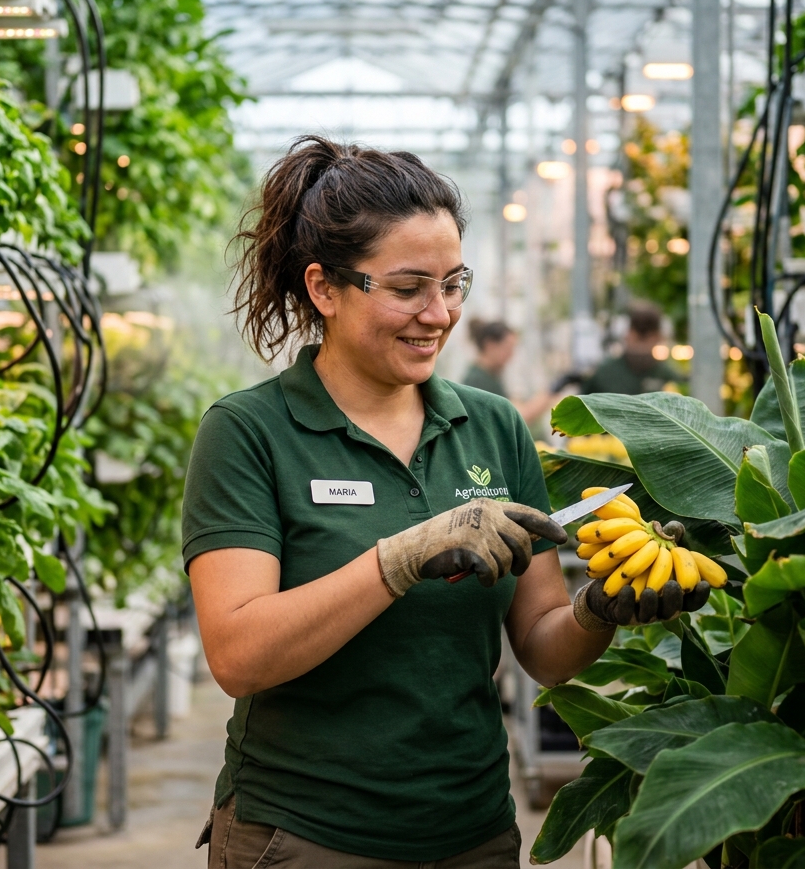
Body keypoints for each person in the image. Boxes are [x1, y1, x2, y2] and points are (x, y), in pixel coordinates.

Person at [183, 136, 615, 869]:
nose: (439, 314)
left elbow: (543, 646)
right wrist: (401, 558)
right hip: (306, 835)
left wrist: (599, 609)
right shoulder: (249, 432)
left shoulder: (492, 426)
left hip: (473, 832)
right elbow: (239, 655)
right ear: (325, 289)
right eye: (408, 287)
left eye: (453, 284)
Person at [581, 301, 685, 395]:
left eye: (648, 335)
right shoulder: (603, 374)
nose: (642, 341)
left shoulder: (667, 376)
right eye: (638, 335)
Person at [463, 318, 555, 422]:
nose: (511, 355)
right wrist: (551, 391)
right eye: (507, 348)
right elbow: (514, 418)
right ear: (490, 345)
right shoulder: (479, 381)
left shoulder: (490, 375)